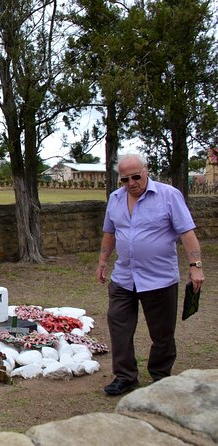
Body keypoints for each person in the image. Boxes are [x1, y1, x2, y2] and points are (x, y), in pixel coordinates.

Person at [95, 154, 205, 396]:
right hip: (124, 277)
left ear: (146, 171)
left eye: (136, 176)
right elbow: (109, 233)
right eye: (125, 179)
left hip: (159, 278)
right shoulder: (115, 199)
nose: (132, 182)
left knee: (162, 332)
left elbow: (187, 232)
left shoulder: (169, 196)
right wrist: (103, 261)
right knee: (119, 326)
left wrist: (195, 265)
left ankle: (160, 376)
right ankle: (125, 377)